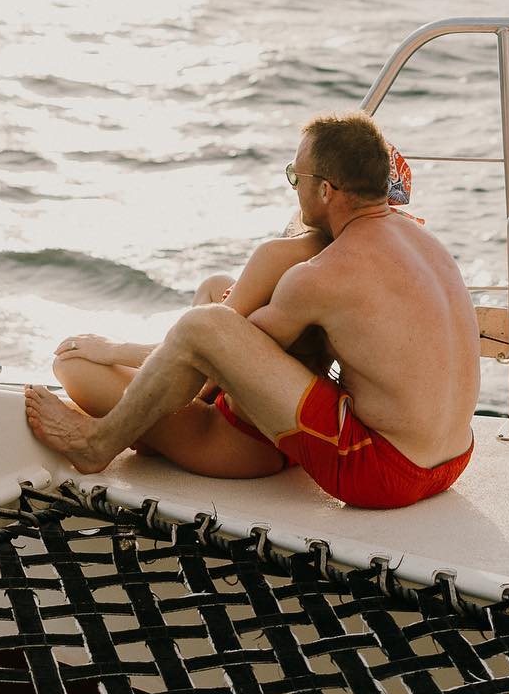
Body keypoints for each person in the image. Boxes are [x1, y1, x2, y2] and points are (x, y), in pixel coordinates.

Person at [25, 113, 482, 508]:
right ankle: (142, 430)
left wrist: (114, 350)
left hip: (384, 472)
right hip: (455, 458)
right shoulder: (428, 246)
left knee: (205, 323)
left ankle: (95, 445)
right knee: (217, 310)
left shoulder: (324, 272)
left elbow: (212, 346)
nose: (293, 187)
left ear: (324, 190)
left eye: (295, 178)